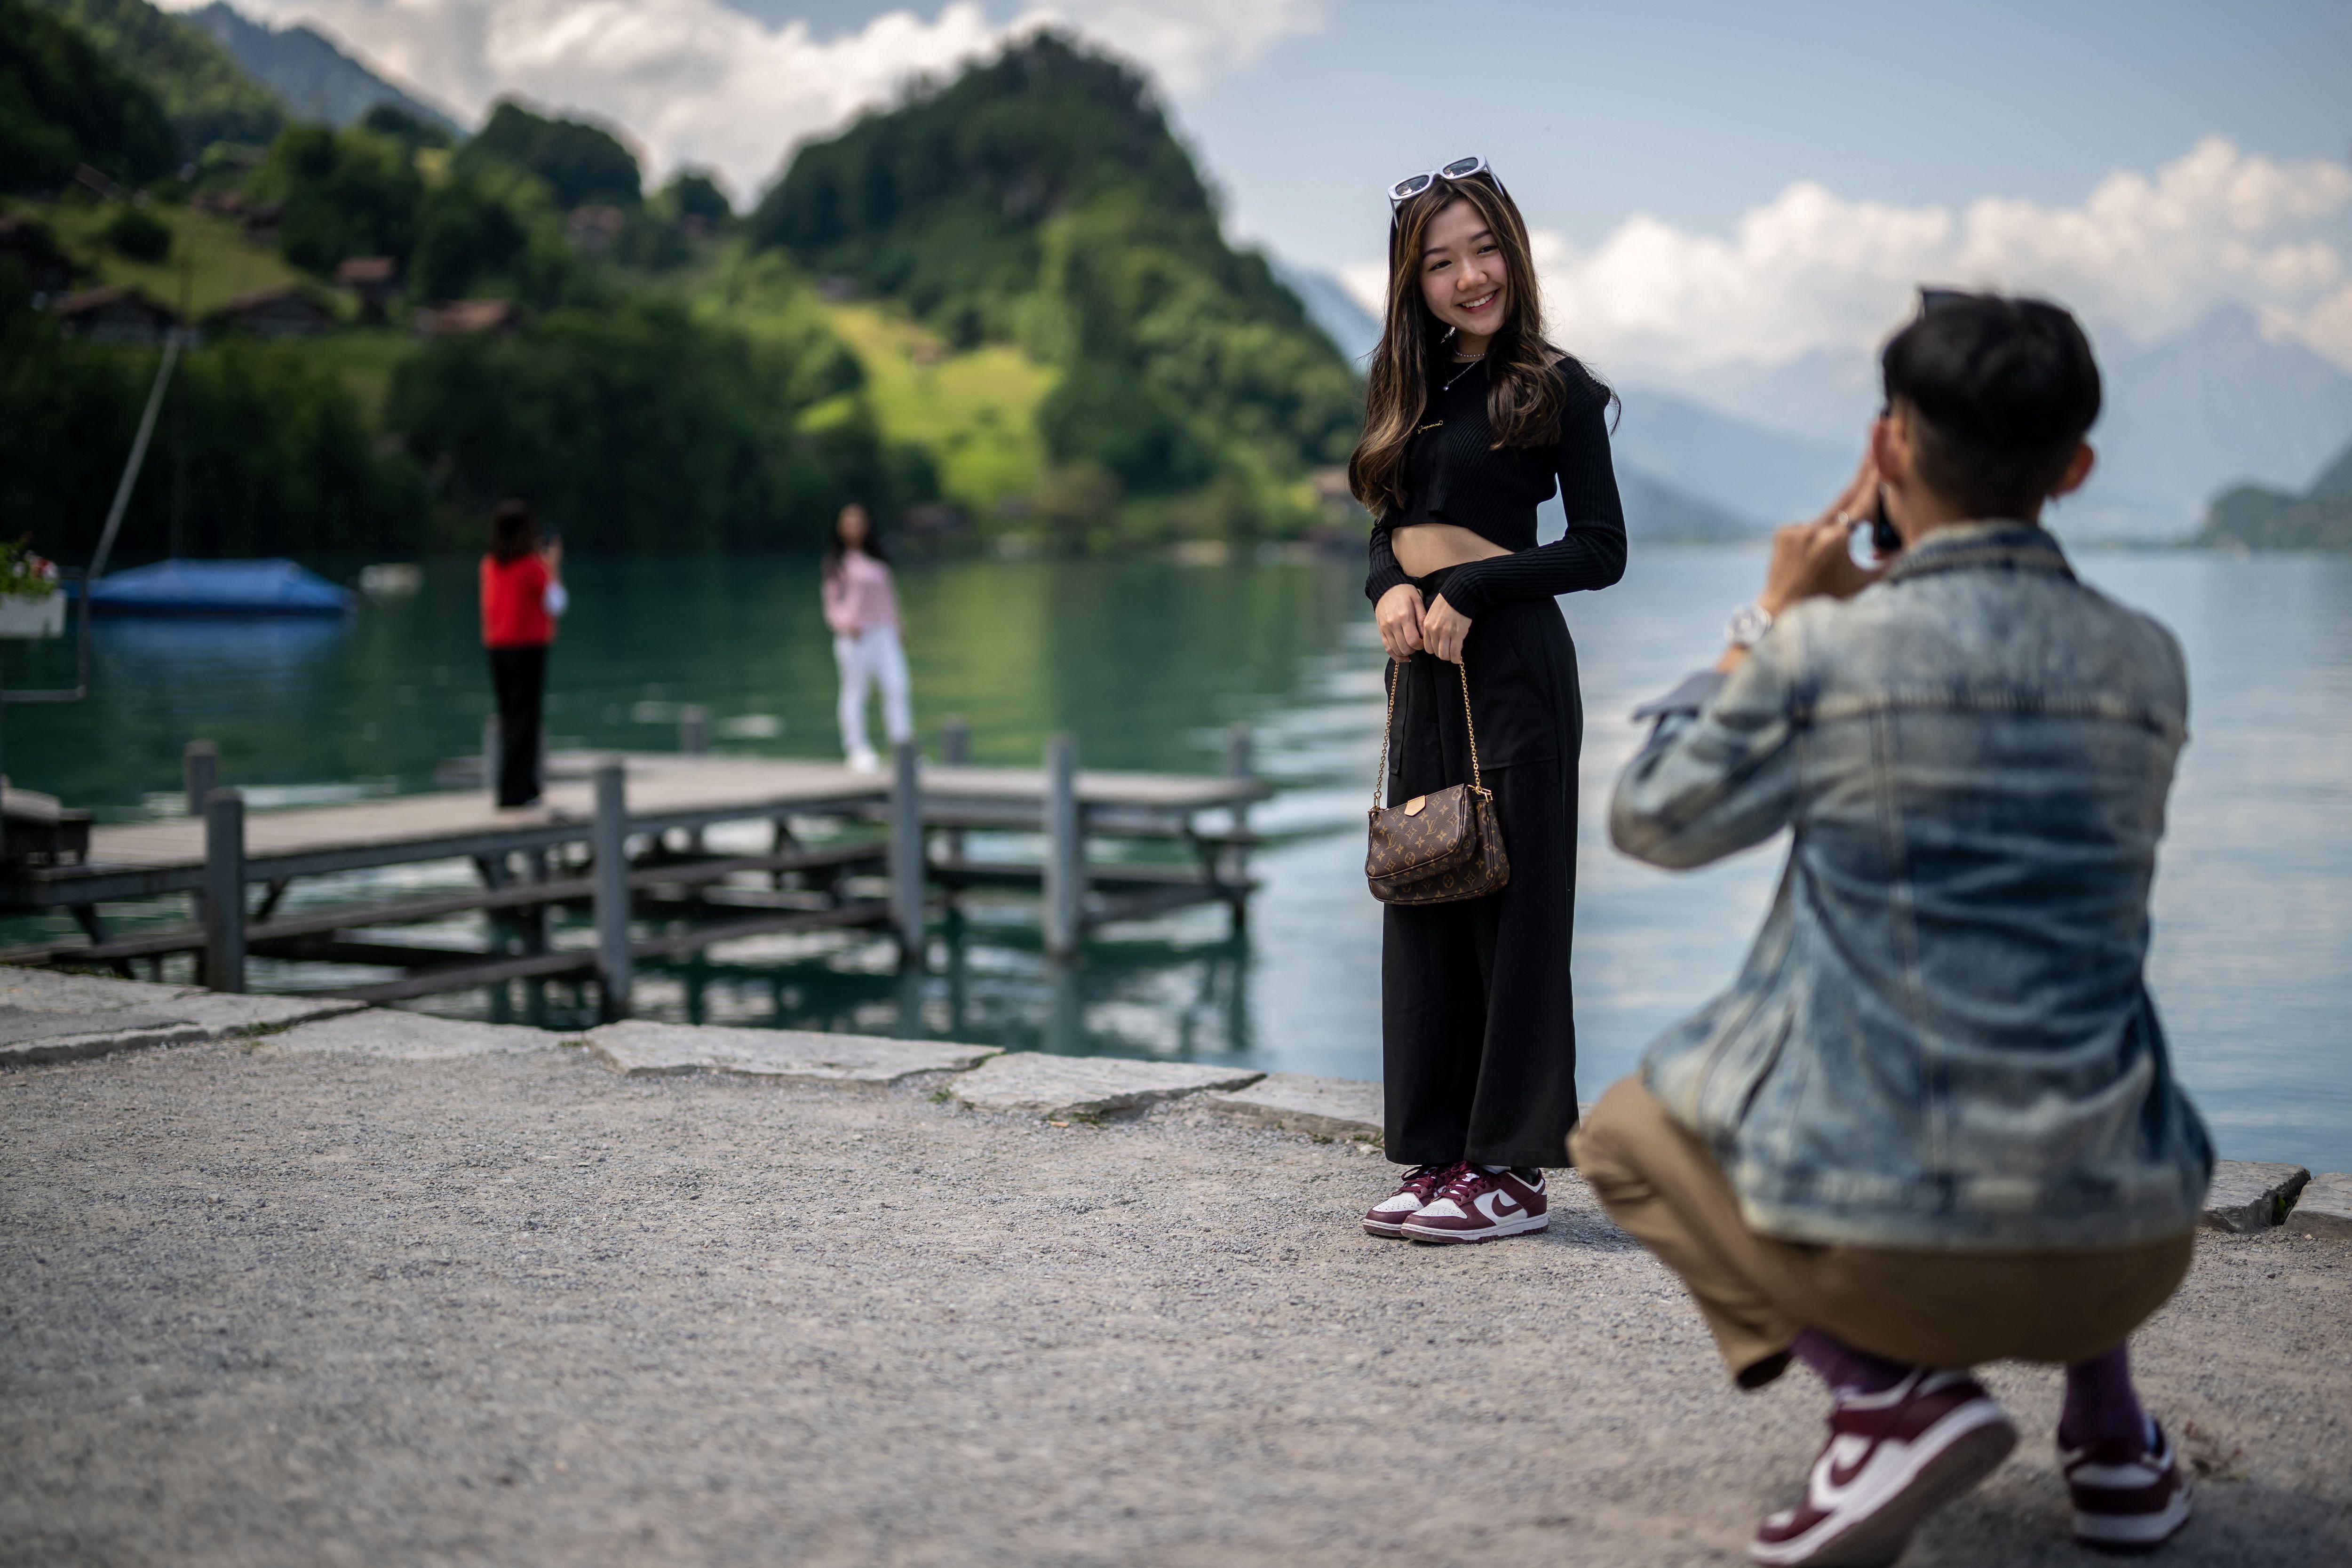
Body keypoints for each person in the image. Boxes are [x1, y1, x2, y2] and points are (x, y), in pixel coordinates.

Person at [1571, 290, 2213, 1564]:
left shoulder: (1830, 656)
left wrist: (1774, 628)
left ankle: (1888, 1399)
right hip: (2131, 1239)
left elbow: (1654, 817)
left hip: (1903, 1254)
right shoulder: (2150, 659)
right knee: (2057, 993)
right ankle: (2113, 1436)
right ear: (2076, 468)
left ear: (1891, 448)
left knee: (1622, 1130)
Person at [1347, 156, 1627, 1244]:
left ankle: (1509, 1170)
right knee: (1424, 892)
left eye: (1483, 250)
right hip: (1419, 670)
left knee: (1514, 912)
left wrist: (1470, 586)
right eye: (1441, 262)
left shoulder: (1555, 387)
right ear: (1411, 281)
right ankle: (1436, 1152)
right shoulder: (1405, 388)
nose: (1469, 277)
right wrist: (1388, 592)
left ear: (1513, 248)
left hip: (1510, 671)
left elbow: (1600, 550)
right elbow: (1386, 524)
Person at [479, 499, 566, 809]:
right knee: (525, 720)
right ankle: (517, 792)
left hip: (497, 648)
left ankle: (518, 787)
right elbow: (557, 603)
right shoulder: (531, 566)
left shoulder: (490, 564)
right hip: (527, 647)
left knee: (509, 719)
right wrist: (553, 566)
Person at [821, 502, 912, 773]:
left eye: (859, 522)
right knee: (855, 691)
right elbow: (831, 601)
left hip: (884, 631)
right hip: (856, 634)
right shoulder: (837, 562)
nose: (855, 528)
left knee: (897, 687)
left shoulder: (878, 559)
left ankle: (902, 748)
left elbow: (890, 597)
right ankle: (857, 748)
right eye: (849, 523)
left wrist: (899, 627)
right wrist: (844, 625)